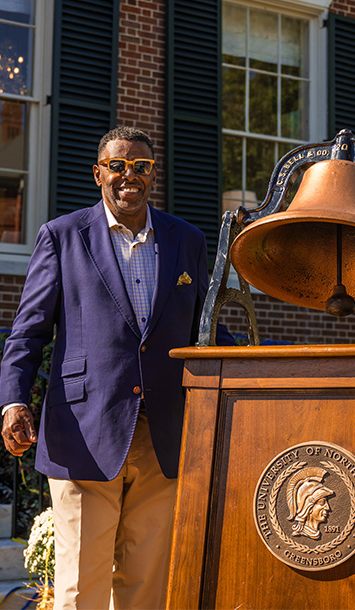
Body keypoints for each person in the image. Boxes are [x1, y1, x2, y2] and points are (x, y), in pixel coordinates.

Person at [0, 126, 235, 609]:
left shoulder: (185, 239)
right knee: (80, 587)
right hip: (83, 432)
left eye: (142, 166)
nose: (131, 176)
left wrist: (254, 374)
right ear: (98, 174)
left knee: (146, 588)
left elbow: (205, 329)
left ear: (153, 174)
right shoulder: (62, 237)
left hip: (165, 435)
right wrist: (14, 401)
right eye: (118, 166)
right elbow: (28, 331)